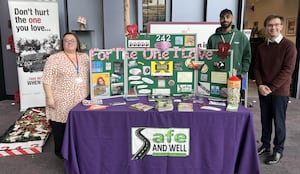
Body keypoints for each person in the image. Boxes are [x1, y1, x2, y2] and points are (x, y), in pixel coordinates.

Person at [254, 15, 297, 165]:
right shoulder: (261, 47)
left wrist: (270, 88)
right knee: (265, 121)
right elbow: (257, 68)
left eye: (276, 25)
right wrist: (260, 85)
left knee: (279, 122)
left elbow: (287, 71)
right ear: (266, 27)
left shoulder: (289, 46)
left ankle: (278, 149)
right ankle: (265, 145)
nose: (273, 28)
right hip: (263, 90)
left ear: (281, 26)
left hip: (279, 92)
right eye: (270, 25)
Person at [42, 32, 90, 159]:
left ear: (77, 43)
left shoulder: (84, 57)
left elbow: (97, 71)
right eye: (66, 40)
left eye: (72, 40)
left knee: (79, 128)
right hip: (61, 102)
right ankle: (61, 153)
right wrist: (49, 97)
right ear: (62, 43)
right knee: (61, 128)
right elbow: (47, 80)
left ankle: (77, 152)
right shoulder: (55, 58)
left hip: (81, 100)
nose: (69, 43)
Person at [207, 8, 251, 103]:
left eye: (228, 17)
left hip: (235, 76)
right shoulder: (213, 38)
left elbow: (247, 56)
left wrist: (243, 71)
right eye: (222, 18)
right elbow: (208, 58)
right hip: (217, 74)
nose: (225, 20)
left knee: (233, 102)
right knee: (216, 100)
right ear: (219, 20)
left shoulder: (241, 36)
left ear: (232, 19)